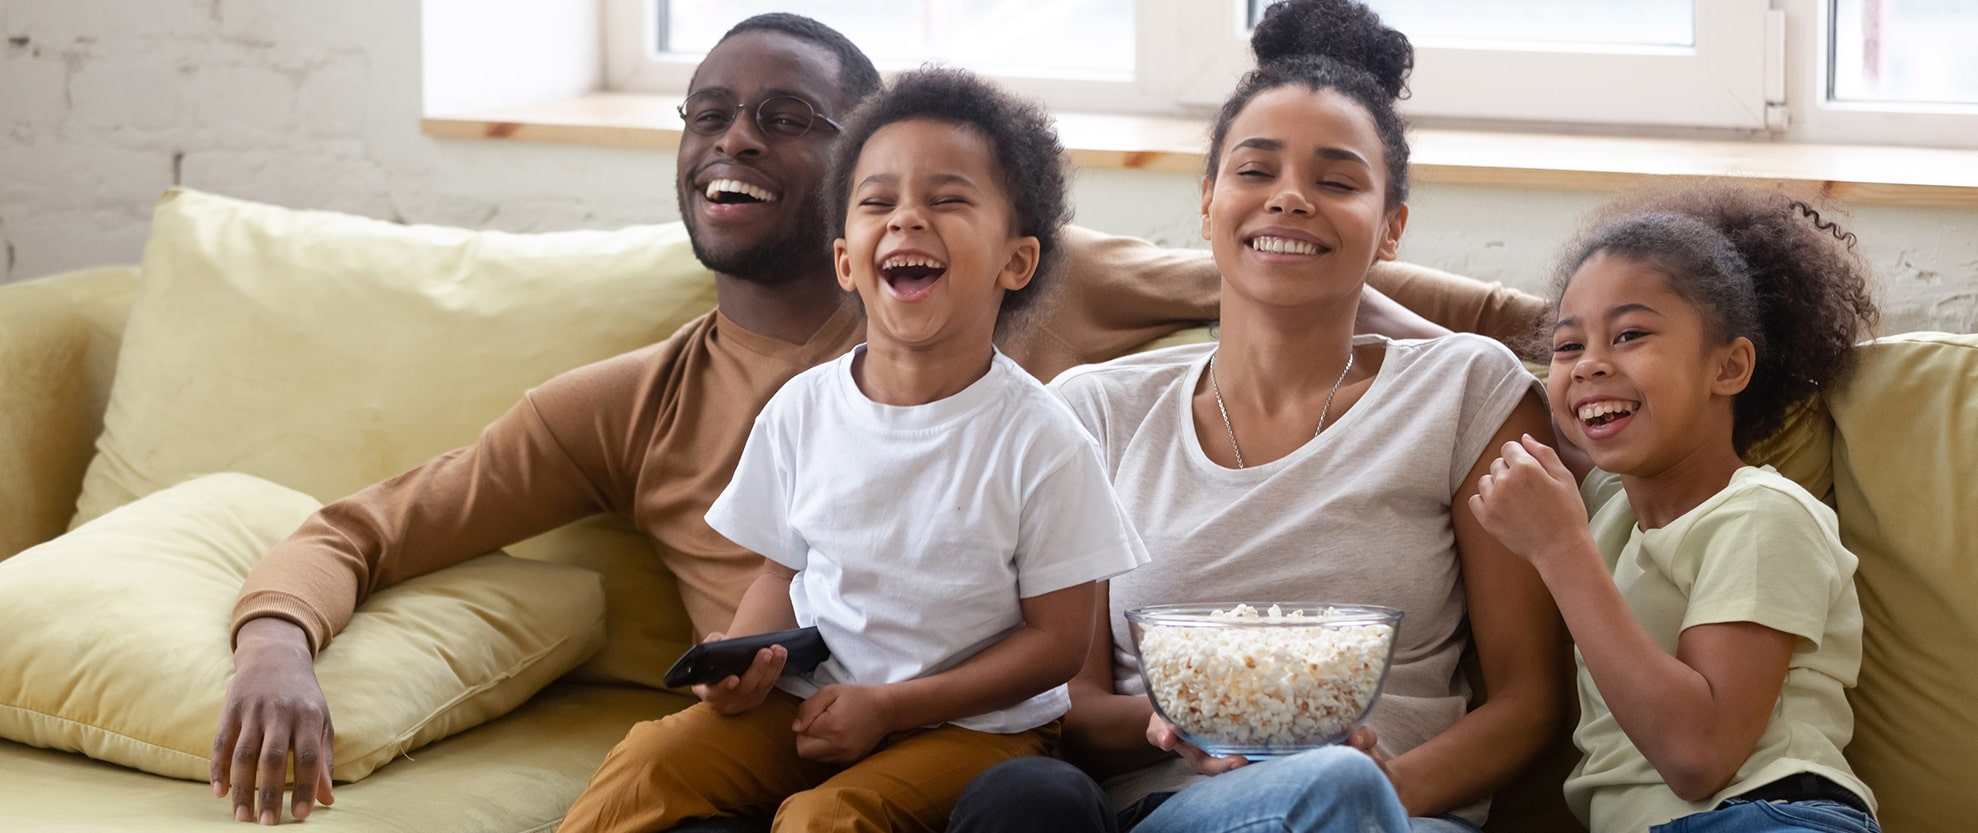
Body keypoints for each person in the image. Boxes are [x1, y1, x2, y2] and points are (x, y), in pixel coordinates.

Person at [206, 11, 1541, 828]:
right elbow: (370, 526)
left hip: (975, 754)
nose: (735, 143)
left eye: (788, 119)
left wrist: (1541, 341)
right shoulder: (631, 401)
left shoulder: (1024, 292)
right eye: (710, 115)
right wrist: (273, 645)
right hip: (779, 738)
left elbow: (1272, 261)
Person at [951, 2, 1569, 832]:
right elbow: (1075, 703)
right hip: (1172, 812)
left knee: (1337, 791)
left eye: (1338, 181)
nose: (1290, 200)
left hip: (1393, 815)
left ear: (1392, 229)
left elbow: (1530, 701)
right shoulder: (1097, 411)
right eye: (1255, 171)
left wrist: (1371, 793)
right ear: (1207, 203)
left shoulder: (1464, 391)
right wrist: (1160, 726)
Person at [554, 67, 1149, 833]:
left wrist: (892, 706)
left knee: (825, 817)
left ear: (1017, 262)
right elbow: (780, 570)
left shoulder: (1045, 439)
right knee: (648, 763)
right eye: (878, 202)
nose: (906, 219)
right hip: (818, 703)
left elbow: (1058, 646)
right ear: (846, 261)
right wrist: (743, 663)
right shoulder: (802, 409)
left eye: (946, 199)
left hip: (978, 731)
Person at [1468, 183, 1882, 833]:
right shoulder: (1610, 509)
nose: (1589, 365)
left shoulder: (1761, 516)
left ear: (1729, 367)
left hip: (1769, 815)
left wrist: (1557, 548)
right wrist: (1345, 292)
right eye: (1569, 345)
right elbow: (1472, 358)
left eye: (1631, 333)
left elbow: (1699, 754)